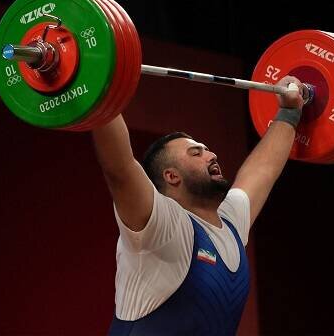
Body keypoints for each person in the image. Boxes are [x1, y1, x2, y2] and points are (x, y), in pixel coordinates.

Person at [93, 75, 305, 335]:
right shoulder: (163, 226)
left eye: (207, 149)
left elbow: (263, 170)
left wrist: (289, 112)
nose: (212, 154)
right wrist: (95, 85)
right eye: (196, 153)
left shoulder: (229, 223)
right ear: (172, 176)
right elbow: (120, 168)